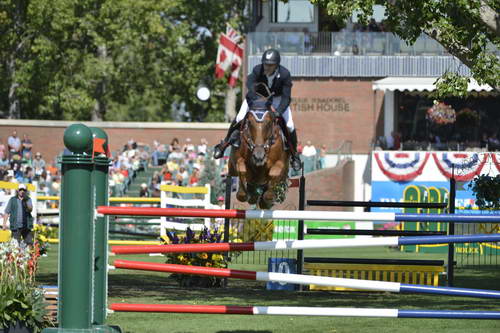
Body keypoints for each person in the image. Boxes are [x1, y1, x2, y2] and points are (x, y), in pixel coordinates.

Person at [213, 49, 302, 171]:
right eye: (265, 64)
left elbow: (286, 98)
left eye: (270, 65)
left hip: (277, 100)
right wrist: (259, 100)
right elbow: (250, 84)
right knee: (239, 117)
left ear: (276, 65)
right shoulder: (257, 69)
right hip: (257, 98)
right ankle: (224, 145)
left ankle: (294, 155)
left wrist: (278, 112)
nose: (267, 67)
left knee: (290, 125)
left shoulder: (285, 74)